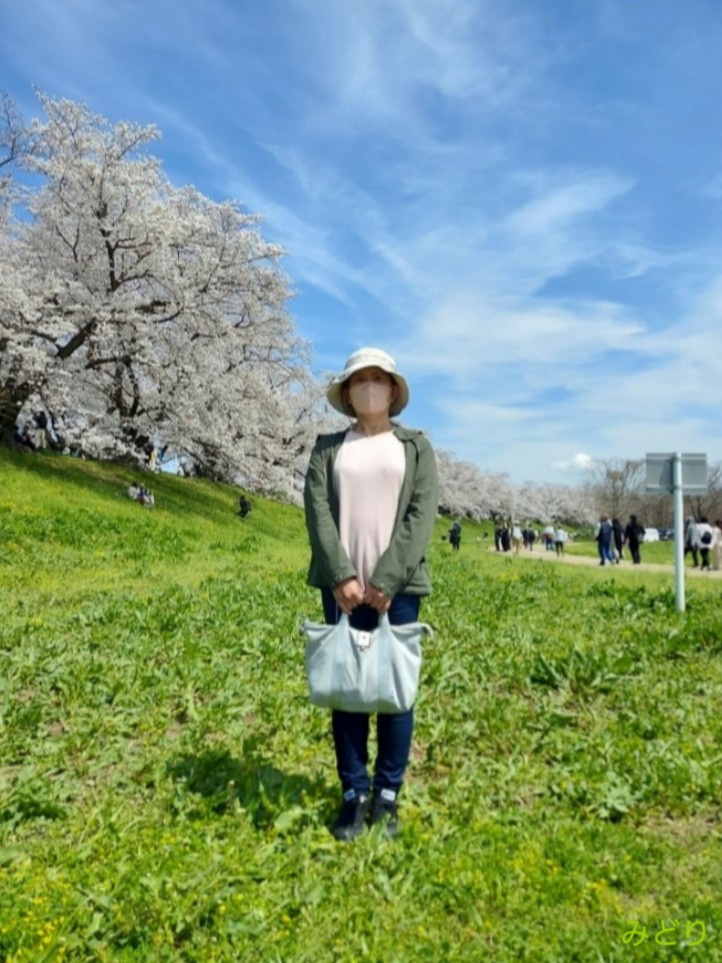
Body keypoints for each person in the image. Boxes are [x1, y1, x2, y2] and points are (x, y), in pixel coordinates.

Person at [303, 347, 438, 841]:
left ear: (393, 389)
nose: (369, 387)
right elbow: (317, 511)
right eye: (360, 379)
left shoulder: (416, 449)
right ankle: (353, 794)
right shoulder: (327, 449)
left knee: (394, 692)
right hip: (341, 588)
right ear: (347, 391)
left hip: (396, 589)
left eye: (378, 378)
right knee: (348, 691)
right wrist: (341, 575)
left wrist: (386, 579)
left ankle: (387, 796)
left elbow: (420, 514)